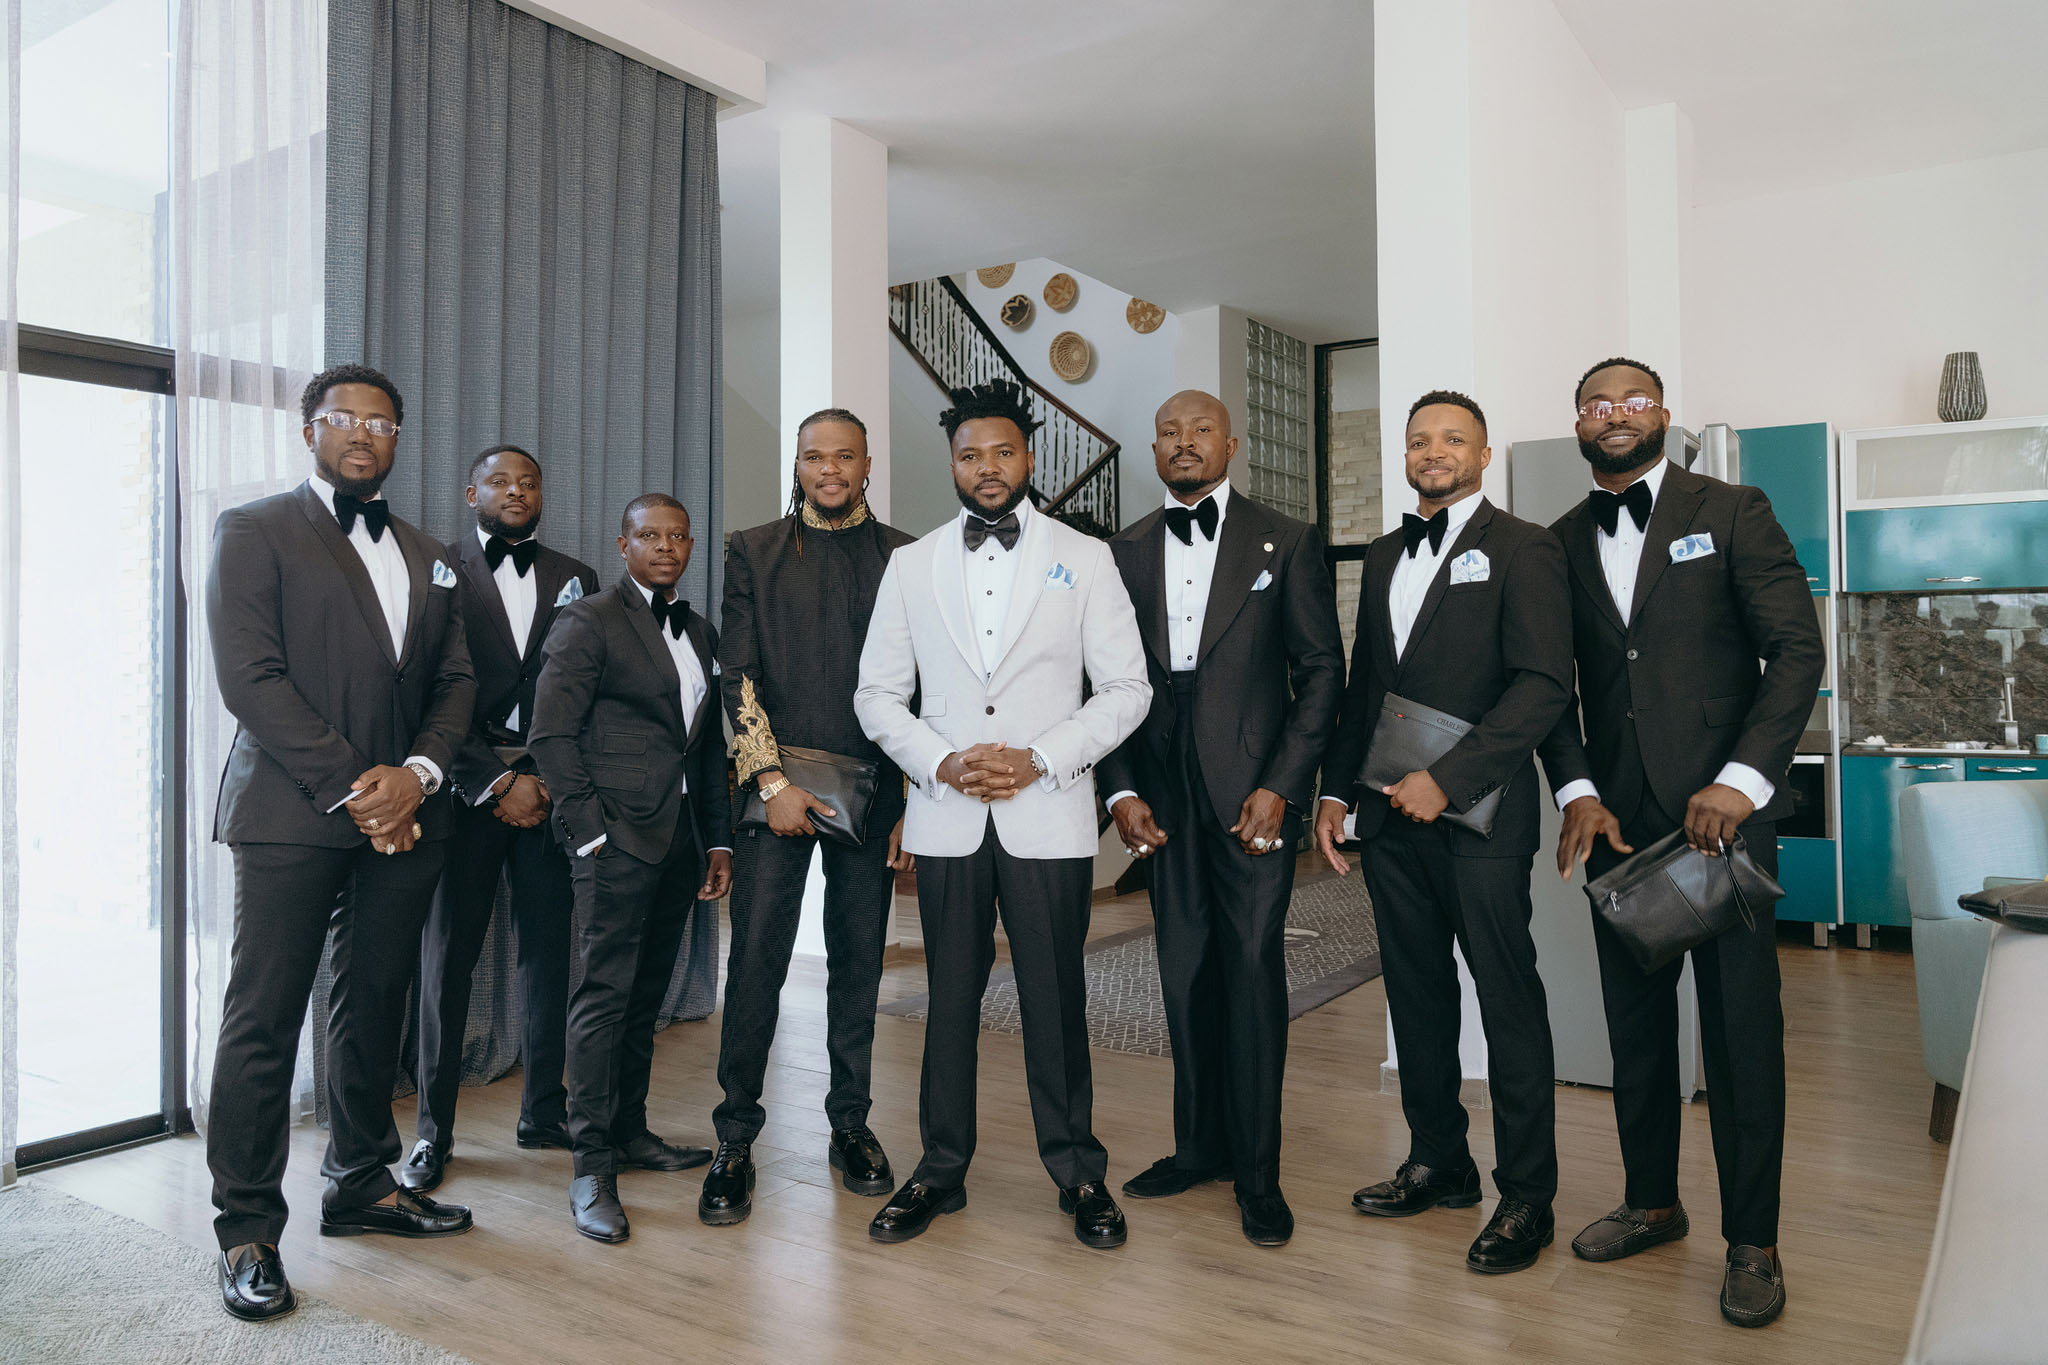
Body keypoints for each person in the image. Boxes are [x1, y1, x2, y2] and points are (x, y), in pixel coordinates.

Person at [1538, 357, 1824, 1327]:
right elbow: (1551, 685)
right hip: (1615, 823)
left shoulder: (1733, 510)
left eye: (1631, 401)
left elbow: (1796, 650)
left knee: (1741, 1037)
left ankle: (1754, 1241)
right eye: (1597, 404)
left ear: (1661, 414)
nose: (1614, 415)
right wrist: (1576, 790)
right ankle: (1651, 1202)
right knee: (1635, 1031)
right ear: (1578, 422)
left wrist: (1741, 781)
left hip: (1720, 825)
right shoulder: (1557, 541)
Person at [205, 363, 478, 1321]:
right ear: (309, 429)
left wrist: (420, 774)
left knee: (374, 1004)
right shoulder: (253, 529)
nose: (364, 432)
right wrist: (360, 788)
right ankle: (246, 1229)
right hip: (292, 813)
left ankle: (361, 1181)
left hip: (408, 815)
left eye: (382, 421)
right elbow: (251, 678)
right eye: (345, 417)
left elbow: (456, 681)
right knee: (265, 1014)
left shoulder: (430, 552)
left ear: (399, 437)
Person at [854, 378, 1151, 1249]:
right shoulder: (910, 564)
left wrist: (1041, 758)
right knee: (948, 999)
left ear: (1029, 456)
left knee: (1055, 998)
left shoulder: (1086, 558)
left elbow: (1127, 688)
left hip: (1048, 813)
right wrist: (942, 762)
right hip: (947, 815)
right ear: (952, 463)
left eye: (1003, 452)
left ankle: (1079, 1171)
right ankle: (939, 1168)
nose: (986, 467)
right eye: (969, 454)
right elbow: (876, 695)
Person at [1313, 390, 1572, 1274]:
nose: (1434, 452)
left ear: (1483, 454)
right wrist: (1336, 793)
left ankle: (1527, 1194)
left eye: (1453, 438)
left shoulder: (1526, 547)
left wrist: (1448, 779)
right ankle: (1439, 1160)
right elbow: (1367, 684)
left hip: (1483, 819)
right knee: (1417, 992)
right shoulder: (1385, 553)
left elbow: (1543, 685)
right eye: (1420, 439)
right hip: (1389, 818)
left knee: (1506, 997)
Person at [1098, 389, 1342, 1247]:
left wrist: (1283, 784)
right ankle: (1197, 1147)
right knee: (1182, 969)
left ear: (1231, 444)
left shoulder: (1288, 539)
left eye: (1201, 430)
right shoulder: (1122, 550)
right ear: (1153, 449)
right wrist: (1120, 790)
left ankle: (1259, 1174)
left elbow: (1322, 672)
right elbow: (1102, 680)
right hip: (1161, 795)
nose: (1185, 442)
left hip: (1251, 796)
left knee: (1250, 968)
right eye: (1169, 432)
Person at [700, 408, 915, 1226]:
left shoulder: (904, 556)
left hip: (875, 792)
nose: (829, 469)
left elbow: (921, 683)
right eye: (814, 456)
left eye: (844, 456)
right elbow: (737, 672)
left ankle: (850, 1123)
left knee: (860, 963)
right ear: (796, 465)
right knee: (757, 961)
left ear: (866, 465)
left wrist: (911, 801)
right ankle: (734, 1137)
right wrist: (770, 781)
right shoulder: (751, 549)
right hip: (775, 791)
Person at [529, 493, 734, 1243]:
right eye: (650, 535)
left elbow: (702, 748)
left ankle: (630, 1131)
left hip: (678, 842)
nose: (666, 546)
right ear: (623, 545)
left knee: (646, 995)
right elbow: (550, 734)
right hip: (613, 840)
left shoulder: (700, 631)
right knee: (603, 999)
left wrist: (718, 842)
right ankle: (591, 1167)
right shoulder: (588, 620)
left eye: (678, 535)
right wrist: (588, 834)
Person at [403, 445, 599, 1194]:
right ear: (471, 492)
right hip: (464, 790)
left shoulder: (576, 575)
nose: (516, 491)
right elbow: (428, 689)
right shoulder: (436, 569)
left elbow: (583, 689)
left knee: (549, 955)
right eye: (499, 481)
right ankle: (433, 1133)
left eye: (528, 482)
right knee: (446, 961)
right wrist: (493, 781)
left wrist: (543, 779)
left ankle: (543, 1110)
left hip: (548, 791)